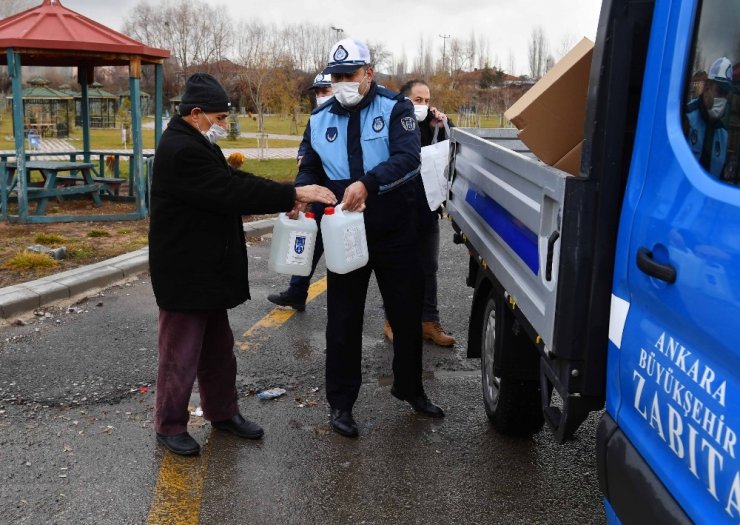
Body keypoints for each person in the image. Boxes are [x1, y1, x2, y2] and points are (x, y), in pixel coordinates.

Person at [148, 73, 336, 456]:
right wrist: (293, 191)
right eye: (218, 118)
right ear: (196, 113)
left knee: (218, 350)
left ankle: (223, 412)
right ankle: (169, 424)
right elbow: (229, 191)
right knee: (179, 353)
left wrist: (286, 196)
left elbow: (230, 178)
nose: (222, 126)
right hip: (185, 272)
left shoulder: (196, 142)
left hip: (206, 270)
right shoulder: (180, 149)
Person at [294, 38, 445, 438]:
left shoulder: (396, 109)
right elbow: (309, 169)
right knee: (343, 320)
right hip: (346, 234)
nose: (343, 82)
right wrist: (301, 193)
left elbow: (409, 158)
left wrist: (368, 184)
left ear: (369, 74)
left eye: (351, 75)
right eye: (337, 76)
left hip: (395, 231)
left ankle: (409, 387)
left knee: (407, 315)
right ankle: (341, 403)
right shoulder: (320, 119)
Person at [382, 79, 456, 347]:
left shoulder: (432, 125)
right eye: (417, 100)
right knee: (397, 268)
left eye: (427, 100)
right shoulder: (392, 123)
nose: (423, 106)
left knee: (429, 267)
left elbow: (451, 151)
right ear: (403, 100)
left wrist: (447, 125)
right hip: (398, 208)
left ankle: (428, 320)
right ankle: (393, 319)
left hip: (427, 208)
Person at [268, 70, 334, 311]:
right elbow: (305, 151)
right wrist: (300, 192)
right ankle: (297, 292)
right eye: (317, 92)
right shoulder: (316, 119)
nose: (320, 96)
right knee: (307, 243)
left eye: (325, 91)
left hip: (346, 198)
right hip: (317, 194)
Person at [685, 56, 733, 178]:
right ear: (707, 88)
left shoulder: (723, 134)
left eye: (725, 93)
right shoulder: (686, 116)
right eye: (720, 90)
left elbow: (720, 178)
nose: (722, 97)